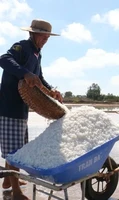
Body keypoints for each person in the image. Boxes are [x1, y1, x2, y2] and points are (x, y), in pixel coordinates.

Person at [0, 19, 63, 200]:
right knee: (13, 152)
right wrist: (24, 73)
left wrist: (51, 90)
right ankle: (16, 192)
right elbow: (3, 59)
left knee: (17, 148)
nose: (46, 39)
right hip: (9, 107)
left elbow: (39, 77)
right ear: (33, 33)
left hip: (22, 108)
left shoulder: (37, 54)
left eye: (48, 37)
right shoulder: (22, 47)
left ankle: (7, 181)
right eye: (43, 36)